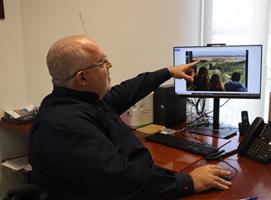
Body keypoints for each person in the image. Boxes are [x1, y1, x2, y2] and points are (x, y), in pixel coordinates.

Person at [28, 35, 232, 200]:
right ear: (82, 78)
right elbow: (119, 179)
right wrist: (189, 181)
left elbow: (126, 90)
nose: (110, 64)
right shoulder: (64, 124)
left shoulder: (86, 101)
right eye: (102, 62)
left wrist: (168, 72)